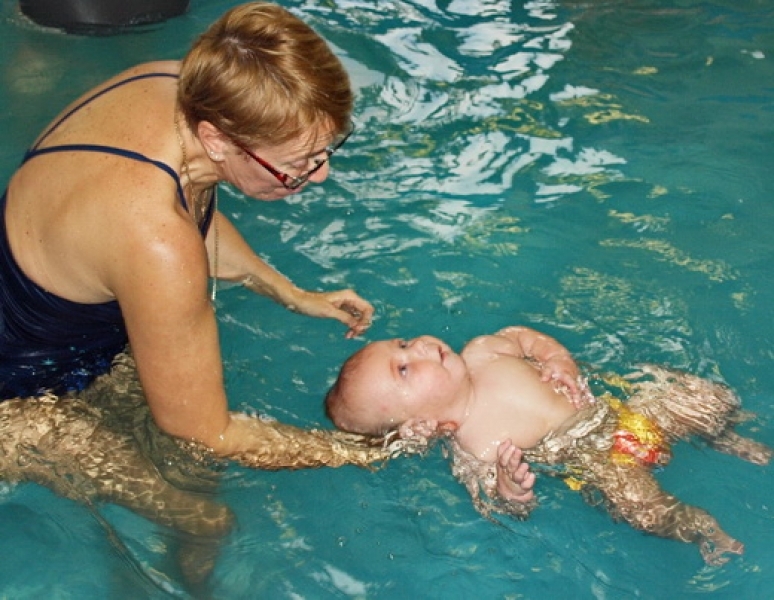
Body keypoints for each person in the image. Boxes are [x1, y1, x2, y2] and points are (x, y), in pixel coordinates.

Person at [0, 3, 387, 469]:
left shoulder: (174, 86)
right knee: (203, 518)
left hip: (48, 321)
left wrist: (288, 292)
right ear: (218, 140)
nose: (320, 174)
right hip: (18, 397)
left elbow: (191, 217)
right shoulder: (155, 237)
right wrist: (368, 453)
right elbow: (205, 433)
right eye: (296, 164)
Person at [325, 326, 772, 565]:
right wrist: (511, 489)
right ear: (418, 423)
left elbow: (527, 337)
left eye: (403, 343)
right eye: (404, 368)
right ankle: (700, 528)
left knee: (705, 397)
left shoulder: (483, 350)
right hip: (598, 460)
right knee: (641, 506)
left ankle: (723, 437)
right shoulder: (474, 449)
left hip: (622, 414)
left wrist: (559, 362)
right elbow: (503, 507)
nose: (420, 345)